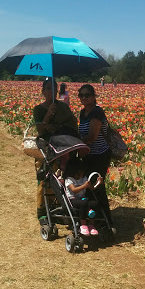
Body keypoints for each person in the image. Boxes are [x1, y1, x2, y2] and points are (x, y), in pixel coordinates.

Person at [33, 79, 78, 220]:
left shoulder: (63, 107)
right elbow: (40, 129)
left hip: (63, 145)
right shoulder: (38, 109)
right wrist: (48, 114)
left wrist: (57, 127)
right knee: (46, 176)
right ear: (42, 91)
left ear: (57, 91)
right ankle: (43, 210)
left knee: (62, 176)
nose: (50, 91)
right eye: (47, 89)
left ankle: (62, 206)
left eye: (53, 88)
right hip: (46, 146)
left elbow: (72, 124)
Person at [78, 84, 113, 224]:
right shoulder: (83, 112)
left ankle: (106, 221)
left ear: (93, 97)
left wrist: (77, 143)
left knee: (97, 185)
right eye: (81, 95)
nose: (84, 98)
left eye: (87, 95)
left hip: (99, 154)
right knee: (88, 186)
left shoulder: (97, 112)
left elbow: (92, 136)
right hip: (88, 154)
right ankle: (93, 216)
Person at [64, 158, 103, 236]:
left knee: (94, 203)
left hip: (83, 199)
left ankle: (91, 224)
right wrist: (84, 186)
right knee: (83, 203)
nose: (82, 174)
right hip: (73, 200)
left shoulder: (84, 178)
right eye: (80, 173)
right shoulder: (69, 180)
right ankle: (83, 224)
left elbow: (92, 188)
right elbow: (74, 190)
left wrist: (98, 183)